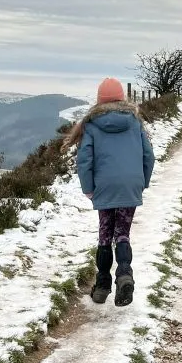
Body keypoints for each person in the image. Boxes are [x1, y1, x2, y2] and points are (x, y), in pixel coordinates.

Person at [68, 77, 155, 307]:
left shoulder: (91, 124)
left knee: (105, 232)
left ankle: (103, 283)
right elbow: (149, 155)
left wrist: (88, 188)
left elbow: (84, 160)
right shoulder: (135, 122)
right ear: (122, 98)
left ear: (100, 99)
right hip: (130, 184)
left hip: (104, 186)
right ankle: (125, 274)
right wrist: (142, 181)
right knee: (123, 233)